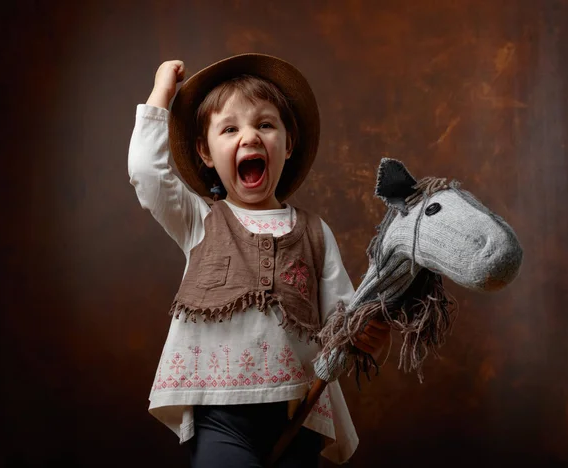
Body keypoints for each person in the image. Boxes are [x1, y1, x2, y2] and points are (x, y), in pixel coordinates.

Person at [128, 53, 391, 467]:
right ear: (205, 153)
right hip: (220, 414)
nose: (249, 137)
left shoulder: (315, 232)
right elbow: (146, 172)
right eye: (230, 128)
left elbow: (343, 315)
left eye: (265, 125)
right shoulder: (200, 220)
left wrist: (366, 334)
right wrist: (162, 92)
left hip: (299, 411)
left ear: (288, 144)